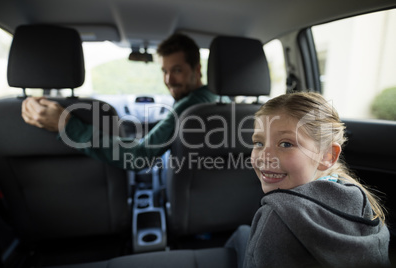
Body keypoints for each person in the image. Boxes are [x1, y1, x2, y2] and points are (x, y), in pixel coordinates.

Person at [226, 92, 390, 268]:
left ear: (328, 155)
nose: (265, 157)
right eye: (258, 143)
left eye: (286, 144)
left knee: (239, 235)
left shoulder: (276, 217)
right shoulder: (357, 196)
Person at [21, 33, 221, 170]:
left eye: (177, 70)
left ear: (197, 70)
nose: (168, 80)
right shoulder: (223, 101)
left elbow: (139, 156)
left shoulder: (188, 108)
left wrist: (66, 125)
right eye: (164, 71)